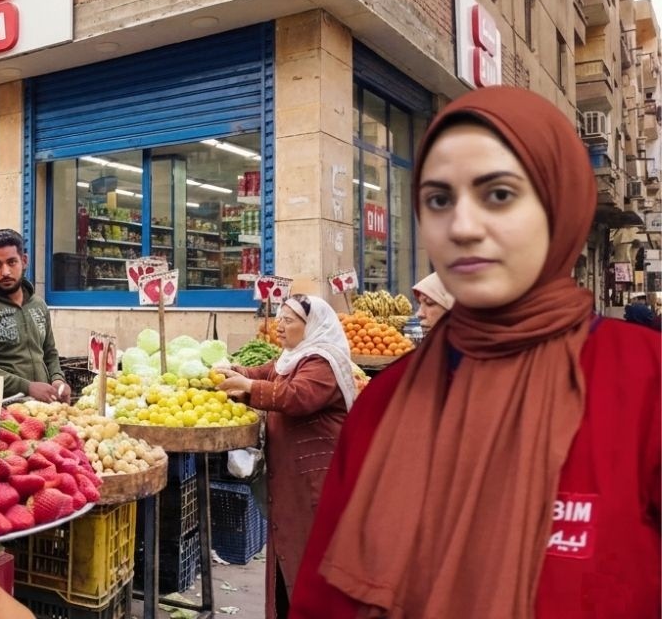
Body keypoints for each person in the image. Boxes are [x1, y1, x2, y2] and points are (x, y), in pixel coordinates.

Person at [292, 87, 660, 617]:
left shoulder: (644, 385)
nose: (462, 227)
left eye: (499, 195)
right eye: (439, 200)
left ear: (559, 203)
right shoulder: (383, 406)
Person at [215, 294, 356, 619]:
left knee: (312, 552)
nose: (279, 325)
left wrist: (249, 386)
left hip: (316, 477)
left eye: (288, 320)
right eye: (279, 318)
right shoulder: (294, 356)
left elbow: (298, 397)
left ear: (312, 326)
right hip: (292, 478)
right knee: (289, 547)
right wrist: (233, 371)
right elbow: (266, 373)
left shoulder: (322, 361)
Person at [0, 229, 70, 403]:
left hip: (43, 408)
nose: (5, 272)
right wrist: (27, 387)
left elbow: (49, 352)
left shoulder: (38, 305)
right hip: (2, 412)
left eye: (12, 262)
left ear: (24, 261)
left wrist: (57, 379)